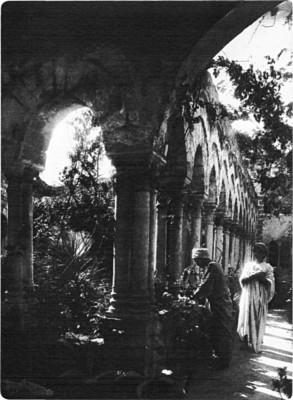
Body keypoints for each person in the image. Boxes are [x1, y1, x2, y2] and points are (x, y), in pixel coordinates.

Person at [193, 248, 233, 370]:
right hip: (220, 303)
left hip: (220, 304)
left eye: (196, 260)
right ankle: (221, 358)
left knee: (221, 330)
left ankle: (223, 361)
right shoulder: (215, 266)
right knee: (219, 330)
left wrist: (195, 294)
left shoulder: (213, 266)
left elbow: (206, 285)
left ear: (202, 259)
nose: (196, 264)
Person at [237, 242, 275, 353]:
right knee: (246, 317)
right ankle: (245, 342)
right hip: (248, 295)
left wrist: (263, 279)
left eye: (259, 251)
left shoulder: (268, 267)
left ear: (264, 254)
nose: (256, 253)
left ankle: (255, 343)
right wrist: (254, 276)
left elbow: (271, 283)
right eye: (255, 251)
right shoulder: (248, 266)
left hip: (260, 296)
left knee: (258, 318)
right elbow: (242, 280)